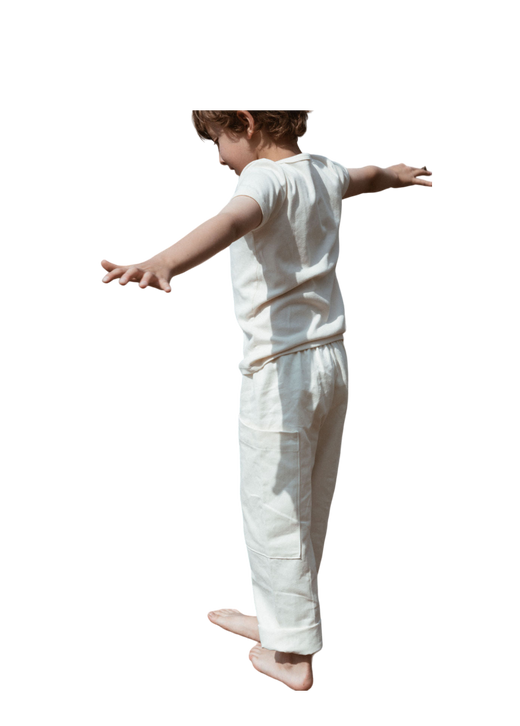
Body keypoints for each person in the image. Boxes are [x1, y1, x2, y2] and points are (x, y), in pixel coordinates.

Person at [98, 108, 435, 693]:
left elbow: (226, 224)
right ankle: (282, 618)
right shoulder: (323, 169)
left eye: (217, 142)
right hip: (333, 363)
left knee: (271, 503)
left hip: (278, 375)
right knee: (308, 499)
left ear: (246, 122)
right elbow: (367, 175)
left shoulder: (260, 180)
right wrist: (396, 174)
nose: (219, 157)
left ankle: (293, 655)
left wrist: (162, 261)